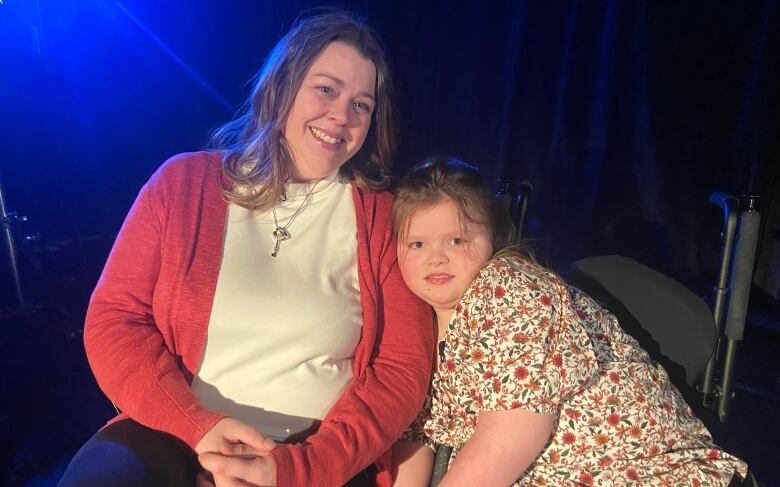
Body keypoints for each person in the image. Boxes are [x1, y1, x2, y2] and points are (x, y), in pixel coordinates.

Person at [58, 10, 434, 487]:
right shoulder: (182, 184)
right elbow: (115, 317)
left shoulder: (383, 217)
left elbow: (402, 368)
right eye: (326, 89)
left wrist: (299, 470)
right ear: (282, 87)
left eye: (362, 104)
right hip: (175, 432)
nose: (341, 115)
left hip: (313, 456)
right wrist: (200, 428)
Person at [389, 157, 749, 486]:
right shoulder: (414, 324)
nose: (436, 258)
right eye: (417, 244)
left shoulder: (511, 290)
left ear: (494, 238)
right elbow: (415, 438)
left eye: (456, 240)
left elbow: (506, 442)